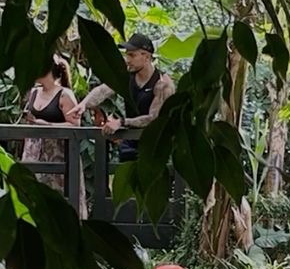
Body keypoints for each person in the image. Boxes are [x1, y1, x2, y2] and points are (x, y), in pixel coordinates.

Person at [78, 33, 175, 162]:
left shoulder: (162, 84)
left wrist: (122, 122)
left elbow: (153, 119)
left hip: (154, 145)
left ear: (146, 57)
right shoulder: (126, 77)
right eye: (126, 54)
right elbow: (102, 91)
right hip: (130, 143)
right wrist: (82, 105)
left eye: (132, 55)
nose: (127, 59)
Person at [22, 57, 86, 217]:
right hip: (33, 153)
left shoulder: (65, 94)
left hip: (58, 155)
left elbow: (75, 125)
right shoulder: (34, 92)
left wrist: (47, 125)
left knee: (58, 201)